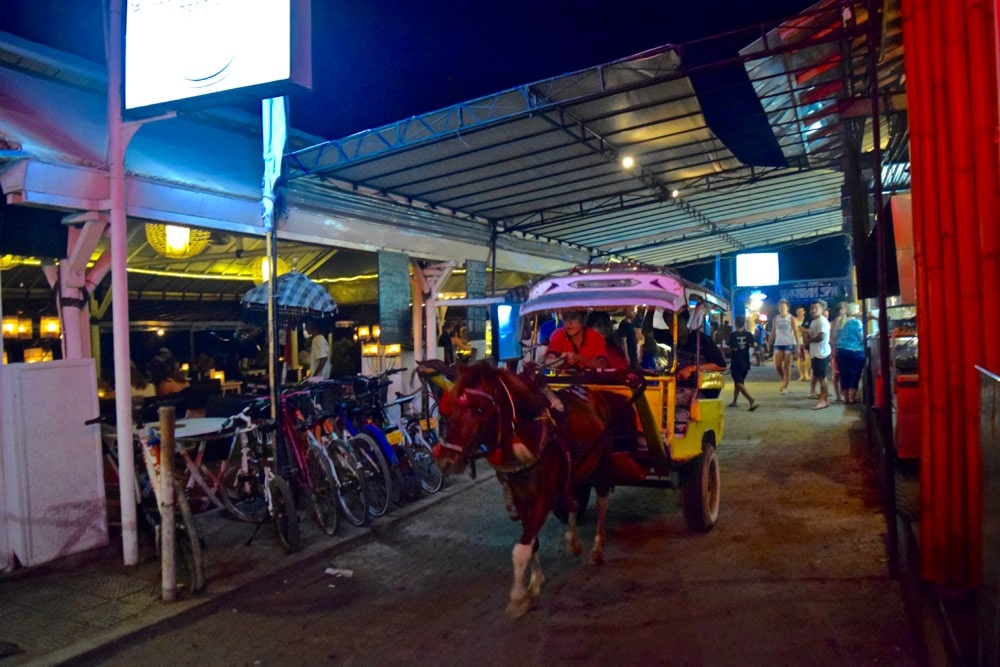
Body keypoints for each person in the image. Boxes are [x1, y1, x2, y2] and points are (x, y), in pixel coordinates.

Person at [835, 303, 866, 404]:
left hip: (841, 351)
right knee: (854, 374)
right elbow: (862, 337)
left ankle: (846, 398)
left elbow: (835, 336)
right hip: (855, 352)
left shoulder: (840, 322)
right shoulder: (857, 323)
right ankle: (852, 398)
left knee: (844, 374)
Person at [767, 299, 799, 394]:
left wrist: (797, 346)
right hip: (778, 344)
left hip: (789, 343)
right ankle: (784, 379)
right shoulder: (776, 318)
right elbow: (773, 331)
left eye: (783, 307)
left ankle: (786, 386)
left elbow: (796, 332)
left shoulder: (791, 318)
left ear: (787, 308)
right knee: (777, 365)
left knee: (787, 366)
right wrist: (770, 342)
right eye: (780, 307)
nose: (782, 309)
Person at [727, 315, 757, 410]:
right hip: (745, 362)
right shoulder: (748, 335)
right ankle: (734, 401)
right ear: (744, 324)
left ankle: (750, 399)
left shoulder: (733, 335)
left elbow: (732, 348)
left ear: (735, 324)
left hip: (736, 362)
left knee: (738, 383)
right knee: (739, 382)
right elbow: (754, 344)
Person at [807, 299, 832, 410]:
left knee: (822, 378)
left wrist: (810, 340)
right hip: (816, 353)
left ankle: (823, 400)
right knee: (819, 376)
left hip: (821, 353)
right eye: (811, 308)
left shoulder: (821, 321)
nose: (813, 310)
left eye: (815, 308)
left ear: (822, 309)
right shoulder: (814, 321)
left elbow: (821, 337)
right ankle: (823, 399)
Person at [828, 302, 846, 402]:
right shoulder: (839, 321)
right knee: (838, 373)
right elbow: (833, 337)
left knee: (837, 373)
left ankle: (840, 395)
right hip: (839, 349)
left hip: (837, 349)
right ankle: (840, 395)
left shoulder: (838, 321)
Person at [794, 306, 811, 382]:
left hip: (806, 340)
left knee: (807, 356)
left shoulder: (807, 319)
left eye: (801, 311)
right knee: (799, 357)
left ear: (804, 312)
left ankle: (807, 373)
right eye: (798, 311)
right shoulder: (794, 320)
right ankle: (801, 375)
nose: (800, 313)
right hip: (798, 340)